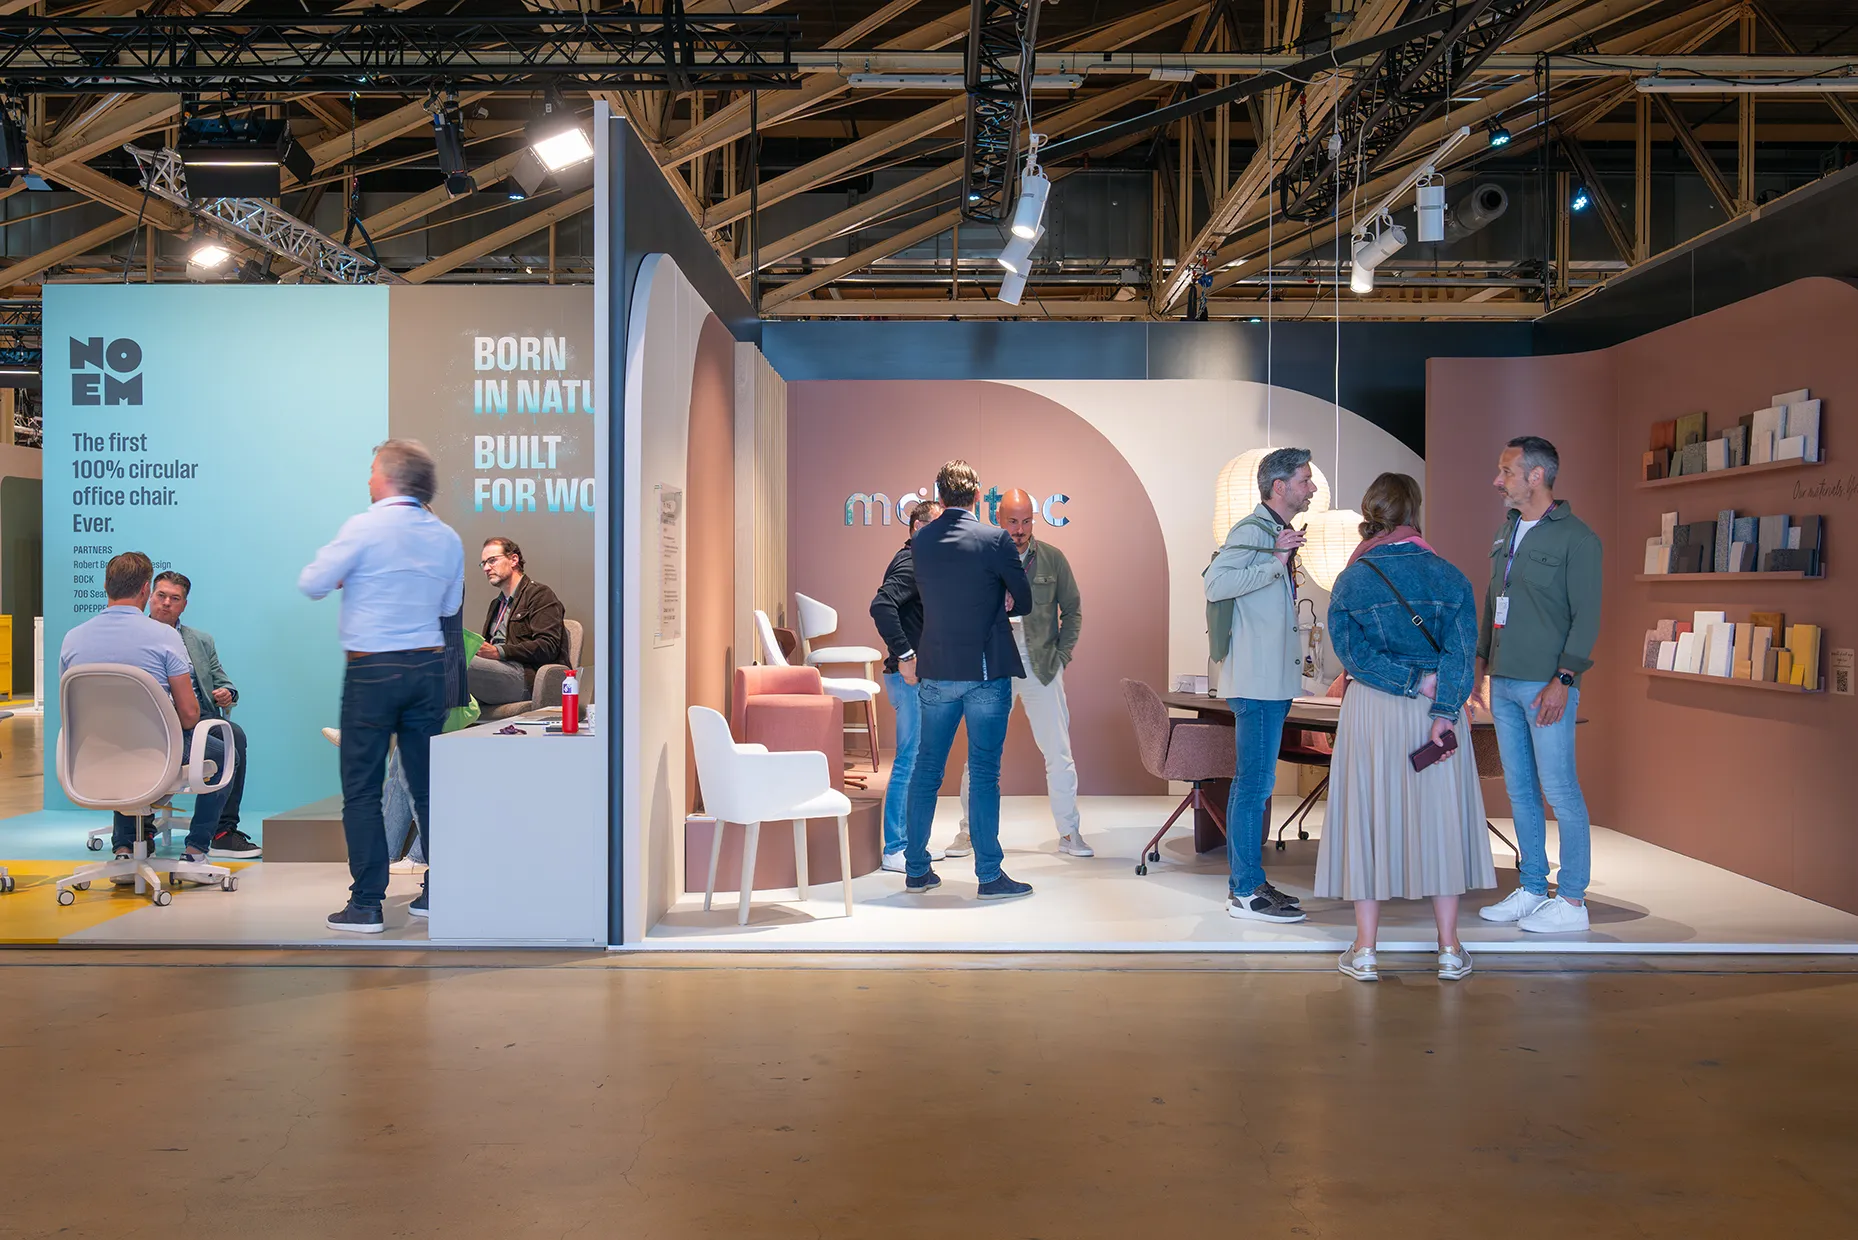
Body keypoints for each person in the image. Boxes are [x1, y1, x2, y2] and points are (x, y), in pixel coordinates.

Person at [1319, 473, 1494, 982]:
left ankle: (1365, 950)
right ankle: (1449, 949)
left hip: (1372, 710)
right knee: (1440, 821)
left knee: (1368, 820)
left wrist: (1408, 681)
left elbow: (1352, 656)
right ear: (1414, 512)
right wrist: (1442, 708)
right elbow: (1462, 654)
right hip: (1434, 711)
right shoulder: (1449, 576)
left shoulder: (1352, 580)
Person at [299, 440, 464, 933]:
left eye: (373, 470)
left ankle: (367, 904)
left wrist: (353, 578)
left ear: (390, 476)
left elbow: (313, 582)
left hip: (372, 671)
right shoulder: (447, 537)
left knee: (362, 790)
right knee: (428, 789)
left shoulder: (363, 526)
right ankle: (439, 892)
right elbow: (448, 604)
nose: (368, 479)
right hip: (428, 670)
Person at [1472, 435, 1603, 934]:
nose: (1497, 480)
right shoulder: (1506, 530)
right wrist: (1481, 660)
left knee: (1560, 790)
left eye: (1506, 471)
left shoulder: (1578, 539)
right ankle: (1531, 887)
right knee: (1520, 790)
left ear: (1536, 475)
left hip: (1546, 685)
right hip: (1504, 681)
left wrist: (1564, 679)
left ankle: (1572, 900)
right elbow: (1493, 599)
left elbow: (1586, 617)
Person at [900, 460, 1035, 901]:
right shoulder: (995, 540)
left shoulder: (922, 541)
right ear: (978, 496)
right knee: (983, 773)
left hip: (937, 669)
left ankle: (916, 870)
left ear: (939, 497)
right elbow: (1024, 601)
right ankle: (989, 876)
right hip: (984, 672)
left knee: (926, 770)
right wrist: (1003, 594)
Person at [59, 552, 233, 876]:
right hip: (157, 749)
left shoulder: (72, 639)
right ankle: (195, 851)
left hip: (91, 752)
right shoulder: (165, 637)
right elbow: (189, 715)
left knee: (124, 744)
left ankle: (124, 850)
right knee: (224, 750)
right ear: (144, 590)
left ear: (105, 586)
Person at [1203, 446, 1315, 924]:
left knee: (1256, 784)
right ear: (1279, 487)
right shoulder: (1253, 531)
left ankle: (1249, 883)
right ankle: (1245, 891)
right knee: (1253, 785)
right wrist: (1275, 560)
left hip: (1269, 681)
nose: (1312, 488)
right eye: (1305, 480)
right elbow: (1215, 584)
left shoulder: (1272, 533)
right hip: (1256, 682)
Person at [955, 488, 1090, 858]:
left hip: (1041, 666)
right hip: (993, 664)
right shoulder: (980, 555)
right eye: (1013, 521)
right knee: (980, 753)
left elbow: (1073, 610)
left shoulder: (1052, 558)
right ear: (998, 519)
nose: (1020, 529)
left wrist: (1062, 656)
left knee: (1058, 751)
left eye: (1027, 521)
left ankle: (1069, 833)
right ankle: (968, 832)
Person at [148, 570, 259, 859]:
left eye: (175, 598)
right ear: (149, 597)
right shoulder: (136, 636)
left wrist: (227, 693)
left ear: (184, 605)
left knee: (234, 736)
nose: (166, 603)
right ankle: (137, 832)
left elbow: (223, 681)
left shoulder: (200, 640)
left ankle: (222, 831)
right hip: (150, 718)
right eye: (161, 596)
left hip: (198, 716)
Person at [868, 499, 949, 873]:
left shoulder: (924, 561)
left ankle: (913, 844)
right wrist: (906, 654)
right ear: (918, 528)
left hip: (921, 679)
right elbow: (881, 606)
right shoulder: (911, 560)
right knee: (909, 760)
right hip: (909, 680)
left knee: (919, 762)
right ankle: (896, 848)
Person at [469, 537, 568, 708]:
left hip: (524, 677)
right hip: (495, 671)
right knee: (443, 660)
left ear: (513, 560)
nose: (486, 568)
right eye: (483, 563)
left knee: (455, 663)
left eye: (492, 560)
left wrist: (499, 652)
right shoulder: (496, 605)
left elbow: (548, 646)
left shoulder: (540, 595)